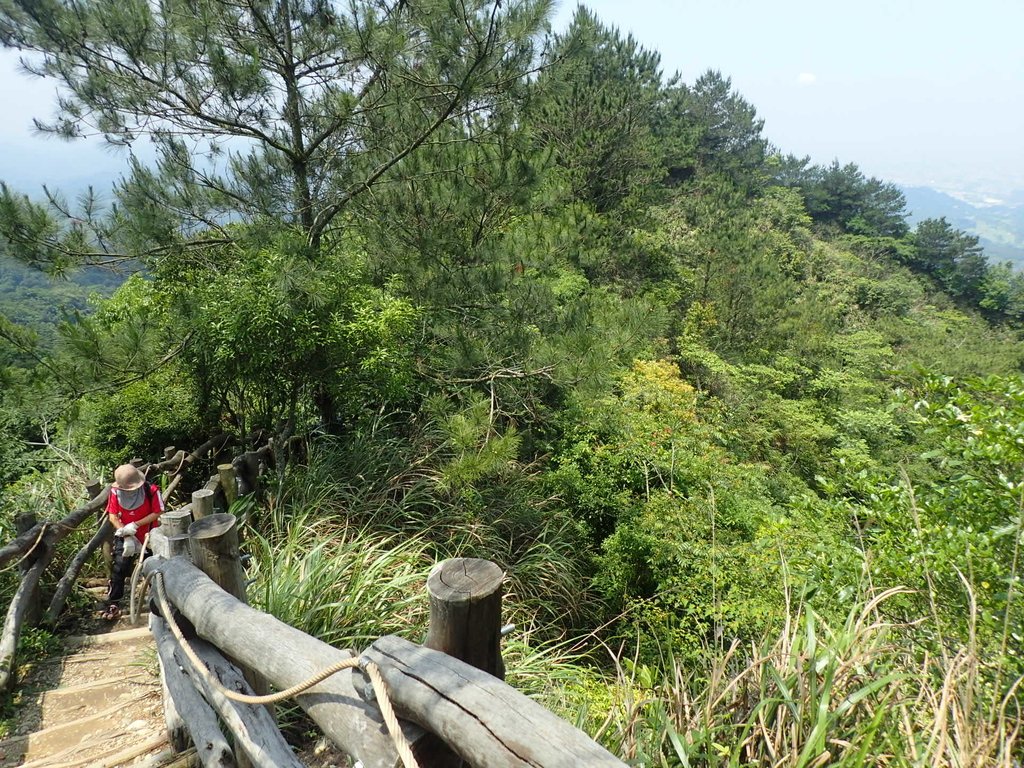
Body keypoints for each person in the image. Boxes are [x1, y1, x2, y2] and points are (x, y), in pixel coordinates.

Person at [102, 464, 163, 620]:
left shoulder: (152, 491)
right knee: (120, 567)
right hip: (126, 534)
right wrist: (126, 533)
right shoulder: (115, 492)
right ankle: (114, 603)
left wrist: (136, 524)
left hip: (149, 535)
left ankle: (158, 603)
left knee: (153, 567)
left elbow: (158, 512)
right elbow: (113, 516)